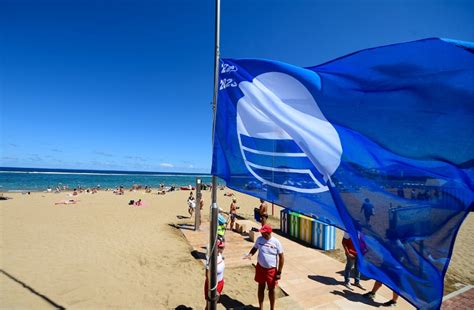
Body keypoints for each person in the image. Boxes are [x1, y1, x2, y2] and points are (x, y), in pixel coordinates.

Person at [244, 224, 284, 310]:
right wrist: (250, 254)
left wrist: (279, 272)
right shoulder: (259, 240)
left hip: (271, 270)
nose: (261, 234)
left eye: (263, 233)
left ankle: (272, 308)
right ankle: (261, 307)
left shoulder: (276, 242)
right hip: (260, 268)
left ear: (268, 233)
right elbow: (255, 248)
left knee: (271, 289)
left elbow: (281, 257)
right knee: (261, 287)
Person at [204, 240, 225, 309]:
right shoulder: (210, 259)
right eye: (221, 247)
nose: (223, 249)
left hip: (220, 283)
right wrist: (212, 288)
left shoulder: (220, 254)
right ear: (216, 248)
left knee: (214, 304)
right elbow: (207, 274)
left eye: (223, 247)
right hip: (212, 285)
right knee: (209, 305)